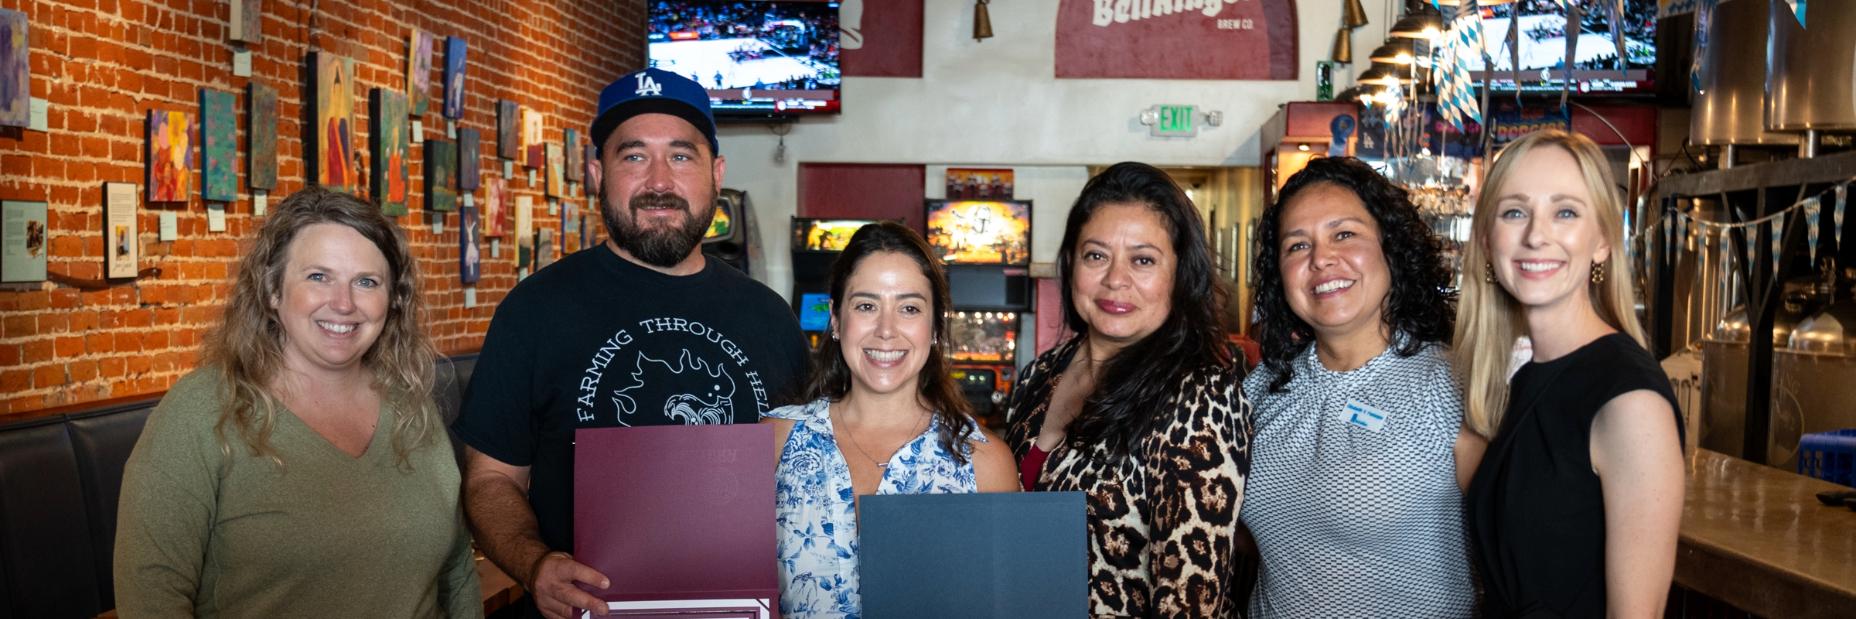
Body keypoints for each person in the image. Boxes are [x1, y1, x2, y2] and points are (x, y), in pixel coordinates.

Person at [453, 68, 810, 619]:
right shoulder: (535, 310)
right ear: (598, 173)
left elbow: (805, 479)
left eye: (681, 156)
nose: (659, 181)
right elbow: (491, 480)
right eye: (635, 156)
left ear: (716, 174)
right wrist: (535, 563)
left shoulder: (771, 318)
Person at [113, 186, 480, 617]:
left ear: (393, 299)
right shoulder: (201, 412)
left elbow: (457, 570)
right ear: (272, 290)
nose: (344, 303)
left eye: (366, 282)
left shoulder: (412, 410)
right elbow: (151, 595)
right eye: (318, 277)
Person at [1003, 162, 1253, 617]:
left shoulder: (1199, 395)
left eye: (1143, 260)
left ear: (1179, 274)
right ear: (1071, 263)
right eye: (1096, 256)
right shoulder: (1040, 374)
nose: (1116, 279)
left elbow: (1191, 599)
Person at [1455, 129, 1684, 617]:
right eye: (1514, 212)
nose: (1536, 236)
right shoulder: (1517, 380)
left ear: (1602, 241)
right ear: (1487, 240)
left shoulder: (1629, 401)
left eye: (1565, 212)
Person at [1240, 157, 1480, 618]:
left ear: (1391, 247)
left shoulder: (1450, 387)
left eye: (1344, 234)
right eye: (1297, 245)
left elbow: (1513, 552)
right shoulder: (1261, 388)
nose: (1321, 258)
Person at [767, 222, 1020, 616]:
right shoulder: (775, 440)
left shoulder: (984, 463)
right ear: (836, 319)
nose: (886, 330)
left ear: (935, 327)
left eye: (909, 308)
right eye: (866, 306)